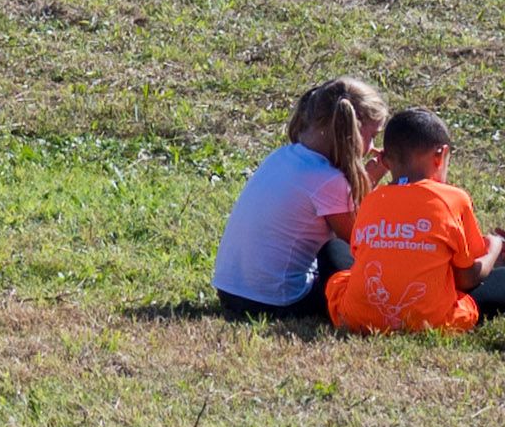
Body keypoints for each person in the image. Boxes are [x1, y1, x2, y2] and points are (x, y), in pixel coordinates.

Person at [212, 80, 383, 323]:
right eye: (372, 136)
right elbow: (358, 238)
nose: (373, 147)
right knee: (338, 251)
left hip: (230, 293)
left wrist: (369, 177)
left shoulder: (282, 156)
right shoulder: (328, 180)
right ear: (351, 131)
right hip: (277, 301)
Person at [327, 107, 505, 337]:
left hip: (358, 318)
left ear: (384, 160)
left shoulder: (371, 200)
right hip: (431, 321)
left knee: (336, 257)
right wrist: (495, 246)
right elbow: (466, 279)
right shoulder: (452, 198)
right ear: (440, 155)